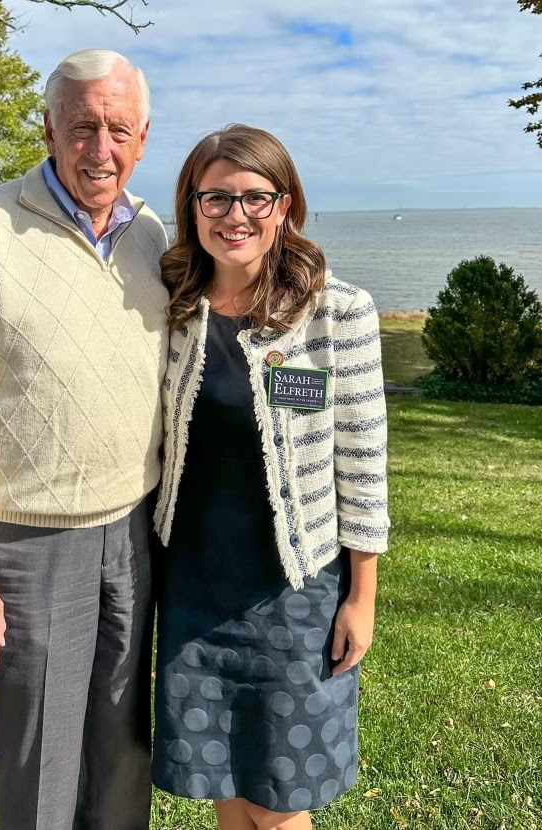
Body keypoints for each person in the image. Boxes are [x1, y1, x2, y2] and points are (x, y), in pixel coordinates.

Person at [0, 49, 169, 830]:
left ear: (143, 137)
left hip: (134, 531)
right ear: (48, 129)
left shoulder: (150, 234)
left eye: (118, 129)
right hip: (26, 540)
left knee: (123, 747)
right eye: (82, 126)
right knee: (40, 758)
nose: (100, 148)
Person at [152, 124, 390, 830]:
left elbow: (361, 459)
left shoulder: (336, 313)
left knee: (280, 805)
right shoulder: (170, 310)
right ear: (191, 207)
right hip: (193, 587)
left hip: (295, 591)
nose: (235, 216)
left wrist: (361, 595)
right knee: (226, 788)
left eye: (255, 197)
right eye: (215, 198)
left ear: (285, 206)